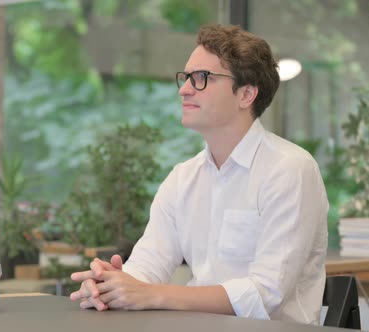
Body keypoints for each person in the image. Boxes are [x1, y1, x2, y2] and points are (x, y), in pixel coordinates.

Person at [69, 23, 328, 325]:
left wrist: (152, 294)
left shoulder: (290, 169)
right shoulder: (183, 178)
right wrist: (111, 284)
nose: (184, 88)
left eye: (202, 78)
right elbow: (147, 266)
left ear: (246, 94)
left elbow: (265, 294)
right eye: (186, 77)